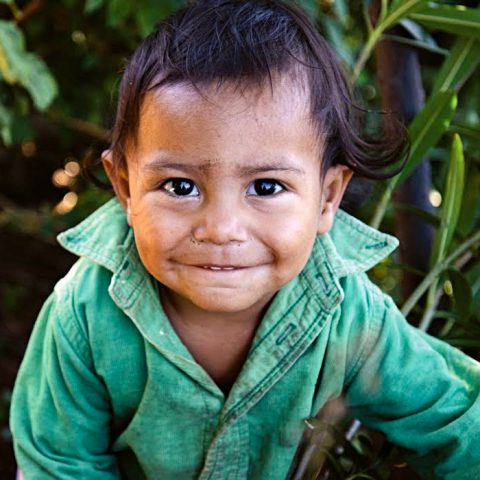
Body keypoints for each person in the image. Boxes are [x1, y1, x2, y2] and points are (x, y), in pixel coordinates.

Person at [10, 1, 480, 479]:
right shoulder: (85, 314)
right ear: (126, 187)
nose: (221, 228)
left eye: (266, 187)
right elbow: (60, 464)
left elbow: (458, 423)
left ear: (327, 198)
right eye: (180, 186)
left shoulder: (348, 315)